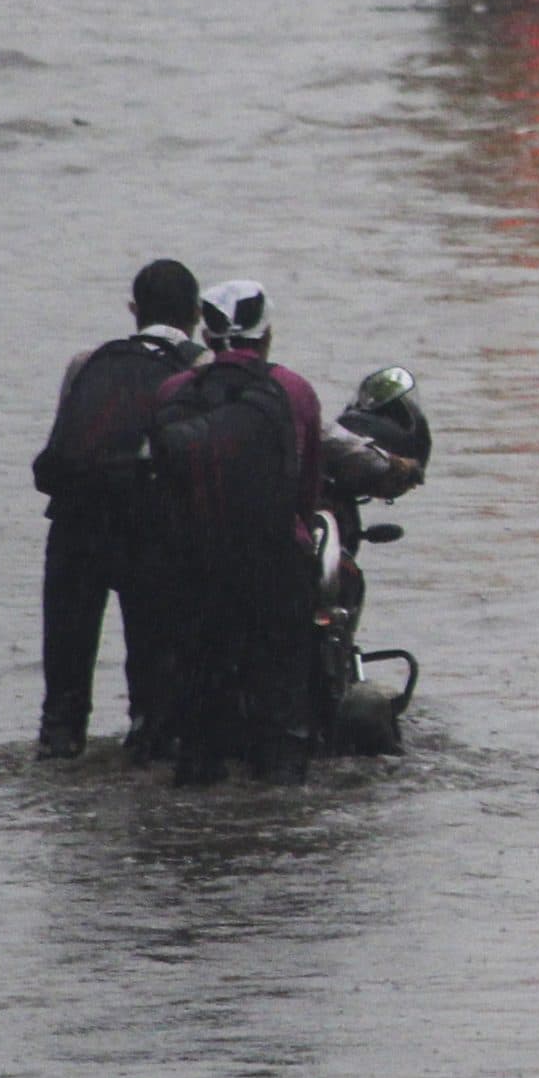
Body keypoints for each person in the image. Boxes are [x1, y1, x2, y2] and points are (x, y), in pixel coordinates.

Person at [153, 280, 421, 784]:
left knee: (195, 716)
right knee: (284, 713)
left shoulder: (174, 391)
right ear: (266, 334)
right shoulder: (291, 391)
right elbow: (315, 475)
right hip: (274, 564)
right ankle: (283, 814)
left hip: (190, 571)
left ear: (206, 335)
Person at [30, 259, 210, 761]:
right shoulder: (198, 370)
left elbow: (59, 448)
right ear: (196, 314)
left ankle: (59, 755)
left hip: (75, 523)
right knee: (153, 673)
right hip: (148, 527)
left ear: (133, 310)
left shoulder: (86, 362)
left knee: (65, 674)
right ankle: (145, 752)